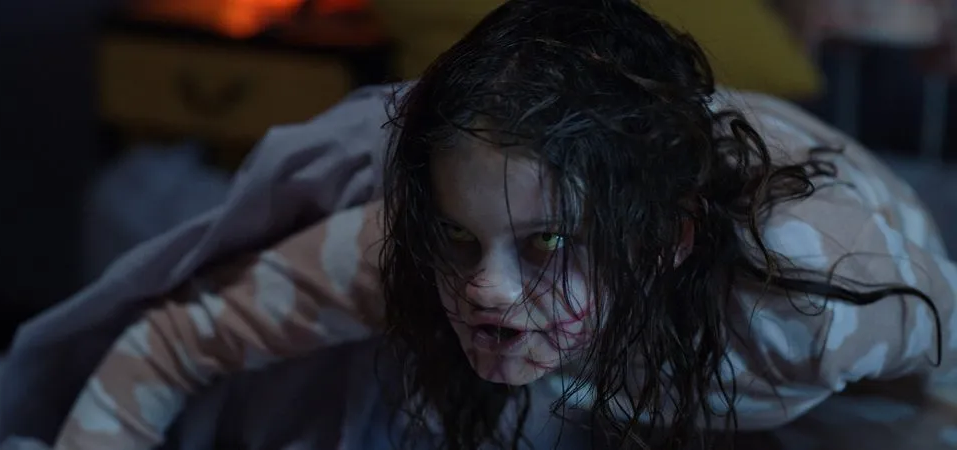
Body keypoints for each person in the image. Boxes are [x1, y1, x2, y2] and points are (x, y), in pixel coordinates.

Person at [51, 0, 957, 448]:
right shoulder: (413, 250)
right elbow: (169, 342)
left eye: (545, 243)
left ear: (663, 242)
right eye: (458, 236)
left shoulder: (813, 297)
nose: (484, 291)